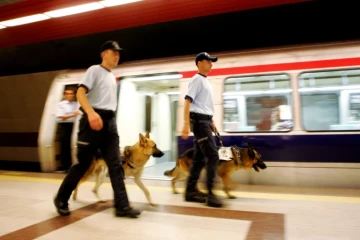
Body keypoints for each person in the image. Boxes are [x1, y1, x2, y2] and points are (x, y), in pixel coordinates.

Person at [53, 40, 141, 218]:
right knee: (83, 164)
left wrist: (110, 120)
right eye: (114, 52)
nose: (117, 55)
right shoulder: (95, 70)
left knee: (116, 166)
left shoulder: (111, 76)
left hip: (109, 123)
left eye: (119, 53)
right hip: (92, 123)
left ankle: (122, 206)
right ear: (104, 54)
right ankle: (61, 199)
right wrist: (91, 113)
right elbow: (80, 92)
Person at [181, 52, 223, 208]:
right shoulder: (197, 80)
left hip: (204, 122)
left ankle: (190, 191)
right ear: (199, 63)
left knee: (199, 159)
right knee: (213, 156)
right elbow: (187, 102)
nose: (211, 64)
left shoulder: (205, 81)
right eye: (209, 61)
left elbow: (203, 105)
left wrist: (211, 120)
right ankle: (211, 194)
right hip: (199, 123)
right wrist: (185, 124)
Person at [56, 89, 79, 171]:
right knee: (65, 146)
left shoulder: (77, 104)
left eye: (72, 93)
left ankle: (73, 164)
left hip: (74, 125)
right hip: (65, 126)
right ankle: (65, 165)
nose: (70, 95)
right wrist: (74, 114)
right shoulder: (61, 104)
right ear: (65, 95)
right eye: (68, 94)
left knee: (72, 145)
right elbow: (61, 117)